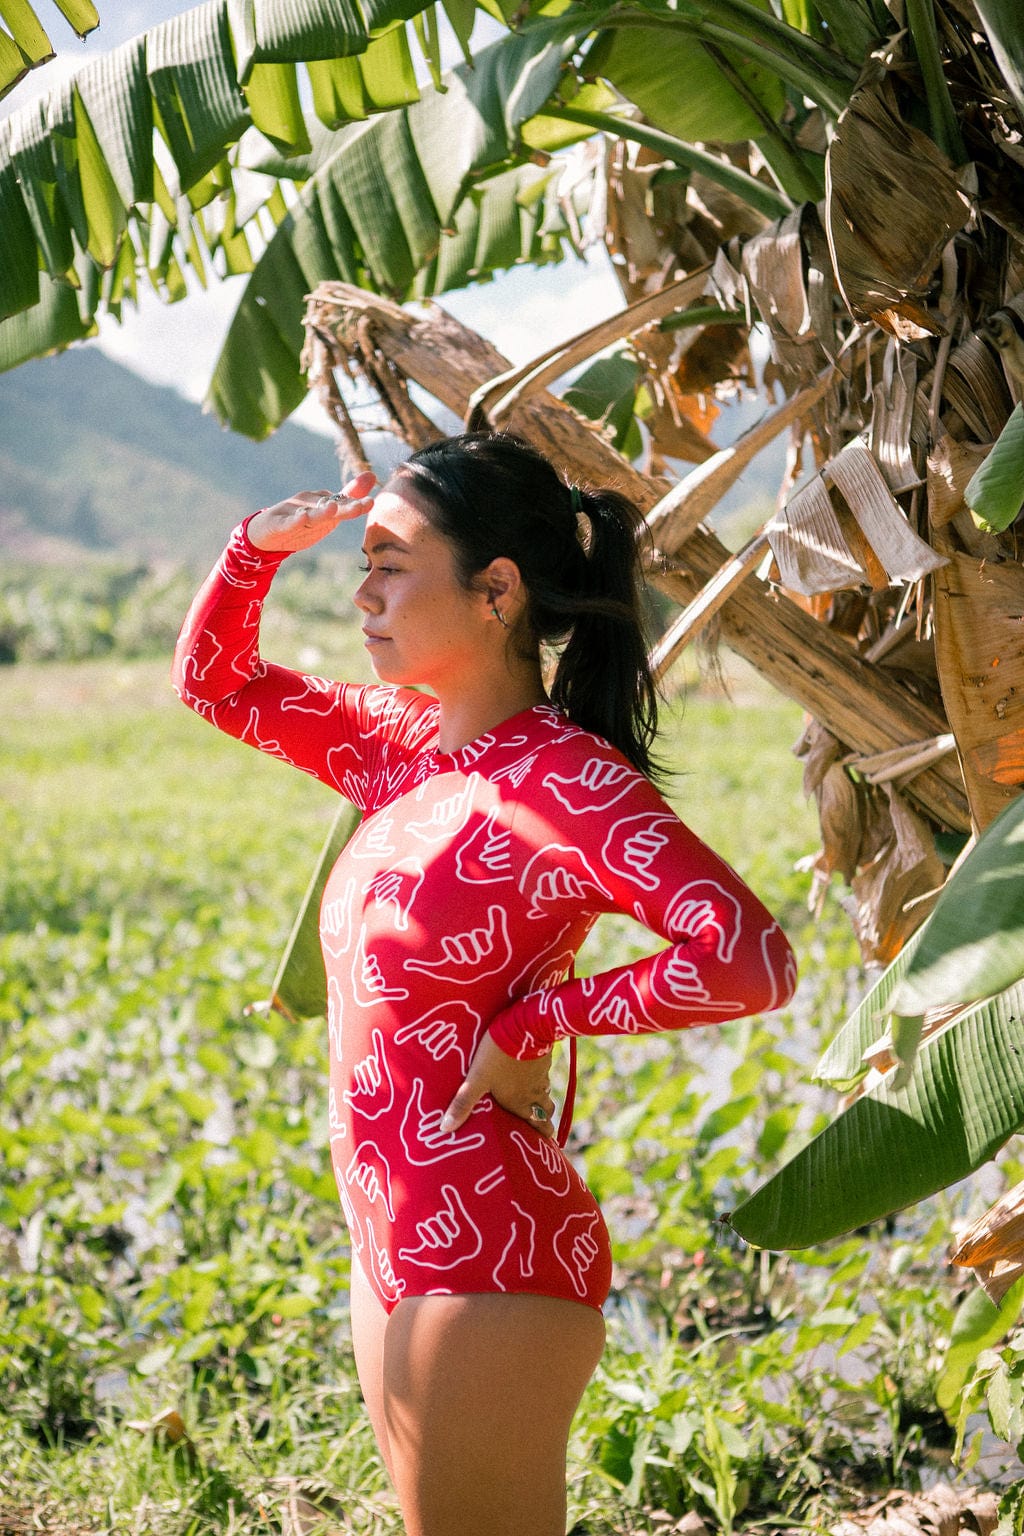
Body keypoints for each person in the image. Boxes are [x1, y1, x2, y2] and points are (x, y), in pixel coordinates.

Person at [172, 432, 796, 1536]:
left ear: (496, 590)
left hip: (489, 1253)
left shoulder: (569, 783)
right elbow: (215, 684)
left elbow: (749, 959)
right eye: (362, 566)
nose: (362, 594)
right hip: (390, 1237)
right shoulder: (400, 748)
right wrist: (254, 549)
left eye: (389, 564)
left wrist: (540, 1020)